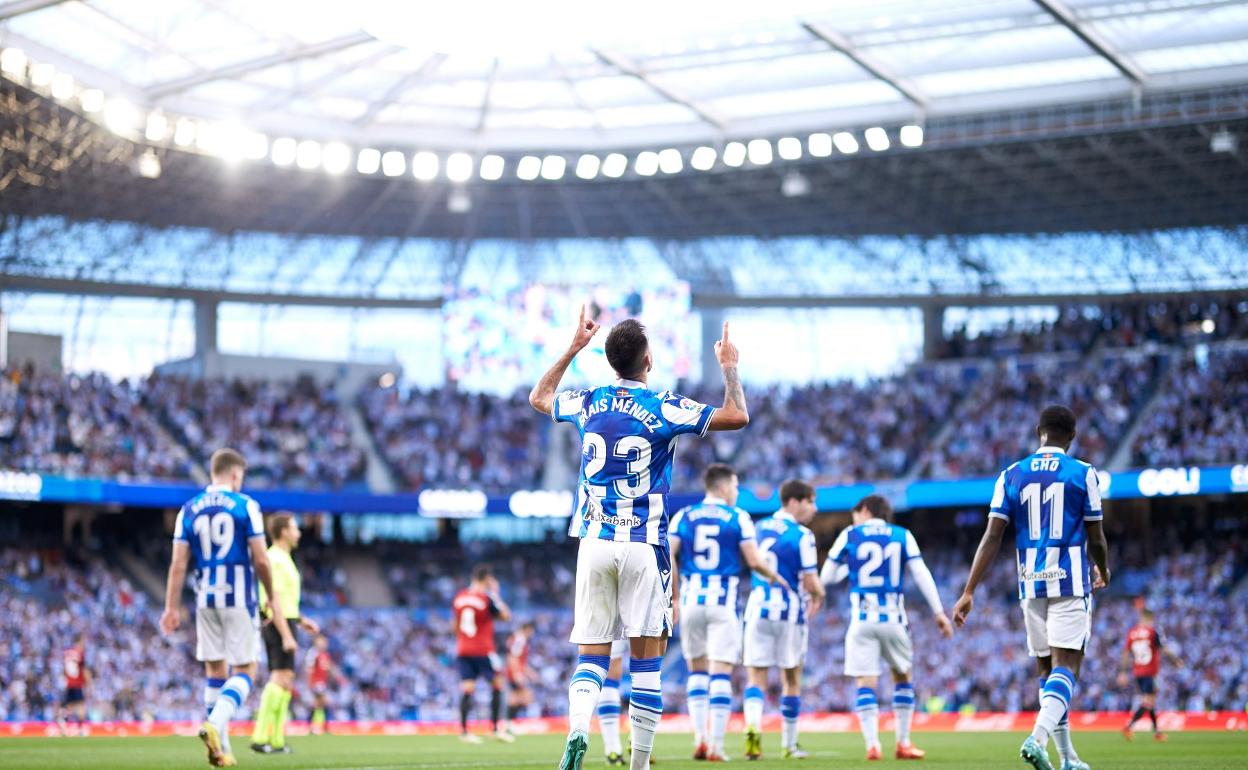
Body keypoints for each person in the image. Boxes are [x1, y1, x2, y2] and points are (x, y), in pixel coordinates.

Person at [530, 310, 750, 770]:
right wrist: (729, 366)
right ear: (647, 361)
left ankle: (576, 730)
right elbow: (736, 416)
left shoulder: (587, 401)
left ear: (610, 361)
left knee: (591, 656)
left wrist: (573, 348)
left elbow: (539, 396)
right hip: (644, 544)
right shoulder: (663, 405)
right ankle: (639, 764)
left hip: (592, 541)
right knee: (645, 660)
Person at [953, 405, 1110, 770]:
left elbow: (993, 535)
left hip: (1030, 585)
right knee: (1068, 665)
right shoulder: (1083, 473)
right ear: (1071, 437)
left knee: (1047, 670)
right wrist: (1102, 569)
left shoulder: (1011, 474)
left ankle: (1068, 758)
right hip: (1069, 581)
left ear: (1038, 431)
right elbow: (1096, 537)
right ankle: (1037, 739)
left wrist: (969, 590)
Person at [160, 448, 295, 768]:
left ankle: (221, 751)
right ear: (235, 474)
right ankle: (215, 725)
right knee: (246, 670)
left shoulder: (188, 510)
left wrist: (171, 607)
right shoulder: (245, 505)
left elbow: (178, 564)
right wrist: (272, 596)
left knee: (215, 673)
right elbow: (261, 558)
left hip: (205, 598)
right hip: (238, 598)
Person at [669, 463, 788, 761]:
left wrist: (674, 597)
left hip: (691, 599)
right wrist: (776, 576)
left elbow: (668, 554)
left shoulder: (684, 515)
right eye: (735, 486)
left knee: (696, 670)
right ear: (722, 487)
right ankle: (717, 747)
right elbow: (754, 560)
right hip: (723, 602)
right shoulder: (738, 517)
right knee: (720, 672)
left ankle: (700, 738)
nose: (736, 492)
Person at [821, 494, 953, 760]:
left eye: (855, 513)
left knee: (865, 682)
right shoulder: (902, 535)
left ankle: (873, 745)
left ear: (866, 510)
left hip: (862, 620)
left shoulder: (850, 534)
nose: (853, 519)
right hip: (894, 619)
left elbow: (826, 577)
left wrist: (850, 568)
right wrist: (938, 612)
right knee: (902, 677)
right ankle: (903, 743)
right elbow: (920, 573)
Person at [740, 479, 826, 761]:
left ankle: (753, 729)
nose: (814, 508)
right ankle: (789, 745)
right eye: (811, 501)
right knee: (791, 678)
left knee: (756, 677)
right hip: (790, 612)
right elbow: (811, 581)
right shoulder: (802, 534)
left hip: (757, 608)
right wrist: (819, 593)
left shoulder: (758, 526)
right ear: (794, 501)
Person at [250, 515, 321, 755]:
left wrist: (300, 621)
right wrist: (286, 634)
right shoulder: (274, 559)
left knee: (286, 680)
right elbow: (273, 599)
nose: (298, 532)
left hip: (287, 620)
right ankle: (261, 737)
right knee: (279, 678)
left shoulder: (284, 558)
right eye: (294, 528)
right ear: (282, 532)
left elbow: (286, 600)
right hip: (276, 622)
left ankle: (277, 739)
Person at [452, 564, 513, 743]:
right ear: (487, 579)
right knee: (498, 684)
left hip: (463, 648)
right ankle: (494, 728)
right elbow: (505, 616)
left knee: (467, 688)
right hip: (483, 649)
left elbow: (455, 624)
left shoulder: (459, 597)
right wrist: (494, 592)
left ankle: (464, 732)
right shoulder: (485, 597)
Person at [1119, 606, 1182, 741]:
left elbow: (1125, 653)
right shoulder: (1153, 631)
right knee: (1148, 701)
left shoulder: (1132, 632)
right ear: (1150, 618)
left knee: (1150, 701)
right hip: (1150, 672)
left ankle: (1157, 732)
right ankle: (1129, 727)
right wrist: (1175, 660)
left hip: (1138, 672)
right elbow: (1164, 649)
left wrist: (1123, 672)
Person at [307, 635, 342, 735]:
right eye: (321, 642)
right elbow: (309, 669)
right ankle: (324, 727)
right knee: (324, 703)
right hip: (316, 683)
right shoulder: (313, 653)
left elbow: (328, 668)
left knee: (318, 704)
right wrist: (311, 683)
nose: (323, 644)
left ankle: (313, 727)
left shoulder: (325, 654)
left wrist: (336, 677)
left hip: (323, 683)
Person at [505, 621, 538, 728]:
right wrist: (516, 674)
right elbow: (512, 657)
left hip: (515, 671)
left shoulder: (518, 639)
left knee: (516, 698)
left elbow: (520, 661)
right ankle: (512, 723)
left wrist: (530, 673)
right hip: (514, 673)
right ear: (527, 629)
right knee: (524, 697)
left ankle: (510, 724)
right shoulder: (519, 639)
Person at [58, 633, 90, 736]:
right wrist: (88, 682)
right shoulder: (80, 652)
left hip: (68, 683)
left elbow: (64, 668)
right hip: (77, 683)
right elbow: (83, 669)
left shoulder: (66, 652)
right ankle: (80, 729)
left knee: (69, 706)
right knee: (81, 706)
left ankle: (63, 722)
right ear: (80, 641)